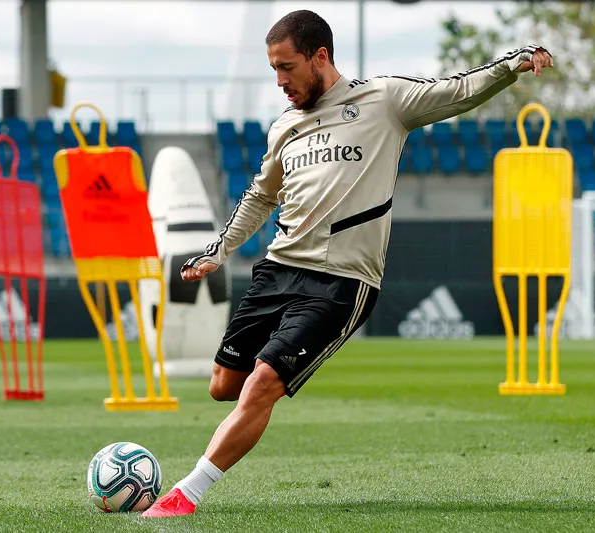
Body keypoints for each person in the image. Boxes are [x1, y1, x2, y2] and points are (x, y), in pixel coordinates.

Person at [142, 9, 553, 518]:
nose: (280, 81)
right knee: (222, 386)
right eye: (274, 69)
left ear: (320, 57)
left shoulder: (382, 101)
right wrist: (219, 250)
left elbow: (456, 91)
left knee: (262, 381)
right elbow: (259, 196)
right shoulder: (284, 127)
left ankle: (187, 494)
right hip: (276, 270)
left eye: (287, 67)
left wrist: (512, 64)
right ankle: (260, 394)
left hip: (340, 283)